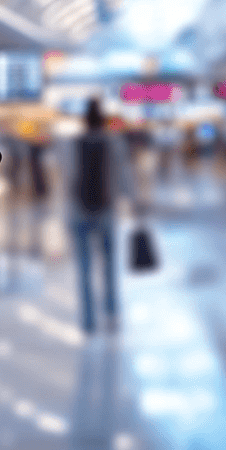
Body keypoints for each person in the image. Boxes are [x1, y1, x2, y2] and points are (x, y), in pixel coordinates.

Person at [64, 98, 135, 334]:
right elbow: (123, 175)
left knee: (84, 268)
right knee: (109, 265)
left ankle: (88, 321)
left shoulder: (73, 143)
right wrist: (132, 200)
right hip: (106, 210)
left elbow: (68, 178)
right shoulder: (113, 142)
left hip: (79, 211)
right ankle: (112, 314)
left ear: (84, 120)